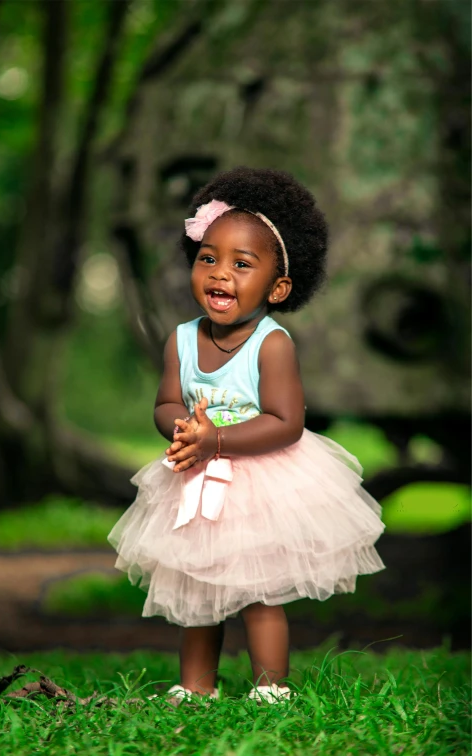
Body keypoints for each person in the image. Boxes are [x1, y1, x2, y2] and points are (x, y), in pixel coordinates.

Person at [108, 167, 385, 703]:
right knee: (197, 588)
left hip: (262, 481)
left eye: (241, 264)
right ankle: (195, 687)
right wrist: (183, 429)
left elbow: (286, 422)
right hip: (196, 479)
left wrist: (215, 441)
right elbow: (166, 402)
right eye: (208, 258)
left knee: (261, 593)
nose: (219, 274)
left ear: (277, 287)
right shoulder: (182, 340)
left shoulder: (271, 344)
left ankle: (270, 687)